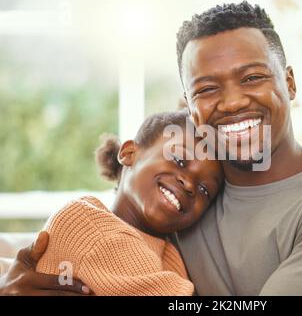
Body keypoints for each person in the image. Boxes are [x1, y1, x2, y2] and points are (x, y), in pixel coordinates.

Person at [0, 1, 302, 296]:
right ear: (189, 108)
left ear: (290, 83)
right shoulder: (182, 205)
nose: (231, 103)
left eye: (252, 77)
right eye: (207, 89)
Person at [1, 110, 223, 295]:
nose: (189, 185)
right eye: (179, 159)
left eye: (205, 189)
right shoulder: (89, 224)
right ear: (129, 153)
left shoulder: (166, 251)